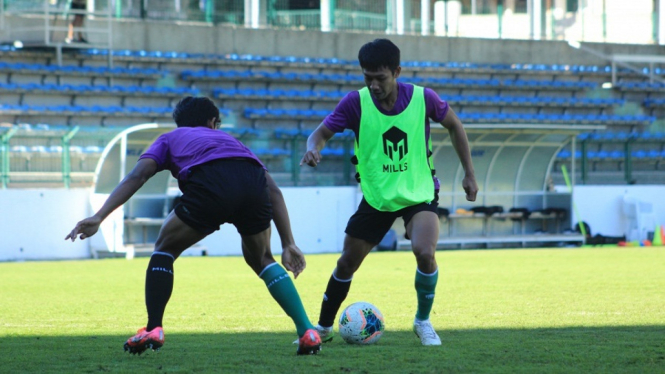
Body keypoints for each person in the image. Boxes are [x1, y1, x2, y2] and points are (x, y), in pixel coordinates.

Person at [66, 96, 322, 355]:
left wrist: (99, 216)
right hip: (251, 183)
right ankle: (307, 331)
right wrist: (288, 243)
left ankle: (154, 327)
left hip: (210, 184)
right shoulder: (234, 142)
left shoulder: (170, 138)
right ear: (212, 122)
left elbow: (138, 175)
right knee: (263, 259)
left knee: (164, 249)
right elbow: (274, 192)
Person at [300, 39, 478, 346]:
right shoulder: (355, 102)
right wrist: (313, 149)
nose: (373, 85)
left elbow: (455, 125)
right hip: (377, 198)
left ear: (396, 71)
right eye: (367, 77)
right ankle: (324, 327)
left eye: (379, 78)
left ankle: (422, 321)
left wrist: (469, 173)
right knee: (346, 263)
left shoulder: (424, 98)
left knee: (425, 252)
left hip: (418, 193)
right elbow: (321, 133)